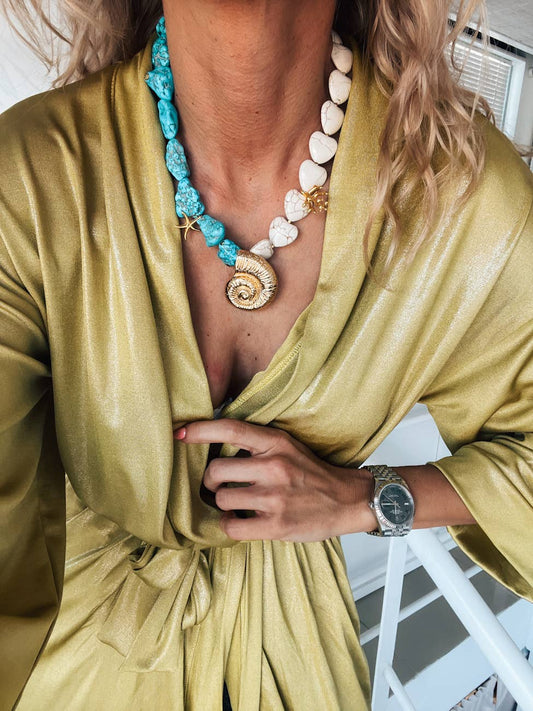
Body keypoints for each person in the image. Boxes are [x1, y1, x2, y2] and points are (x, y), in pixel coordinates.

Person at [0, 0, 532, 709]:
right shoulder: (33, 176)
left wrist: (371, 498)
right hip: (69, 656)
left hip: (298, 661)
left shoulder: (456, 194)